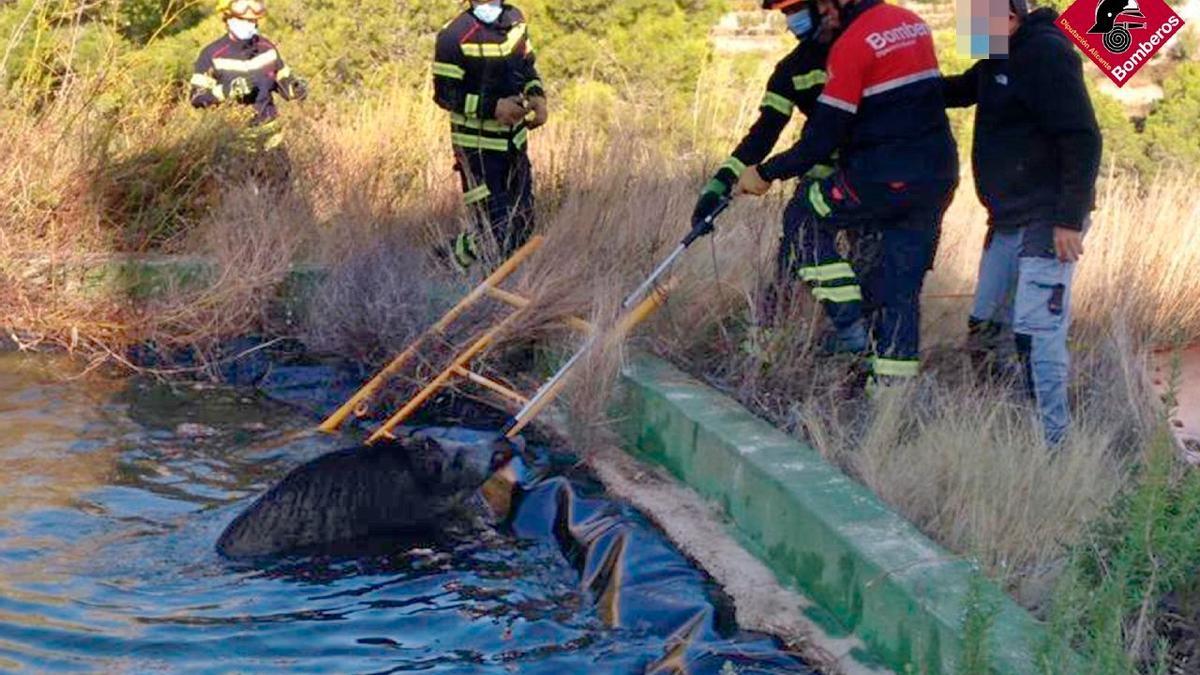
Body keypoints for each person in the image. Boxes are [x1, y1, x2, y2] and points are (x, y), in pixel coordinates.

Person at [734, 0, 958, 388]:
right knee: (899, 288)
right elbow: (940, 90)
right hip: (936, 179)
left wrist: (767, 172)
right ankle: (889, 397)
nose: (813, 15)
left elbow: (821, 140)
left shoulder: (851, 45)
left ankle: (848, 316)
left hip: (881, 177)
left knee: (804, 216)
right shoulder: (913, 23)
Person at [943, 0, 1102, 445]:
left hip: (1048, 217)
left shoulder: (1046, 53)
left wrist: (1069, 219)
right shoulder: (998, 57)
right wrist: (898, 83)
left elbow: (1082, 137)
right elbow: (956, 90)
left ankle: (1052, 442)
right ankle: (1001, 421)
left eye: (974, 17)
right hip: (1007, 218)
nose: (967, 27)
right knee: (985, 326)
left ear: (1006, 14)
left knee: (1036, 332)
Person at [692, 0, 837, 313]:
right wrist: (719, 184)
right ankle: (776, 330)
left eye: (795, 9)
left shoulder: (858, 47)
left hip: (871, 173)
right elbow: (763, 134)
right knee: (795, 250)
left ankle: (852, 335)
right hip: (819, 175)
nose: (791, 20)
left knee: (870, 263)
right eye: (786, 13)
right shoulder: (791, 69)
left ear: (823, 6)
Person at [433, 0, 548, 271]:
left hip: (514, 142)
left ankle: (498, 285)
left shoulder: (516, 19)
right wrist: (493, 108)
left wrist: (537, 96)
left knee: (522, 223)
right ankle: (444, 265)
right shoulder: (453, 36)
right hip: (477, 150)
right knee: (493, 229)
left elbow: (527, 67)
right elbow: (445, 94)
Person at [190, 0, 307, 151]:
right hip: (233, 144)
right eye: (242, 20)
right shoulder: (211, 54)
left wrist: (296, 88)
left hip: (272, 142)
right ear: (227, 18)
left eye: (252, 20)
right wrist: (228, 91)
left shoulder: (267, 48)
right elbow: (196, 97)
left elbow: (284, 81)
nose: (248, 24)